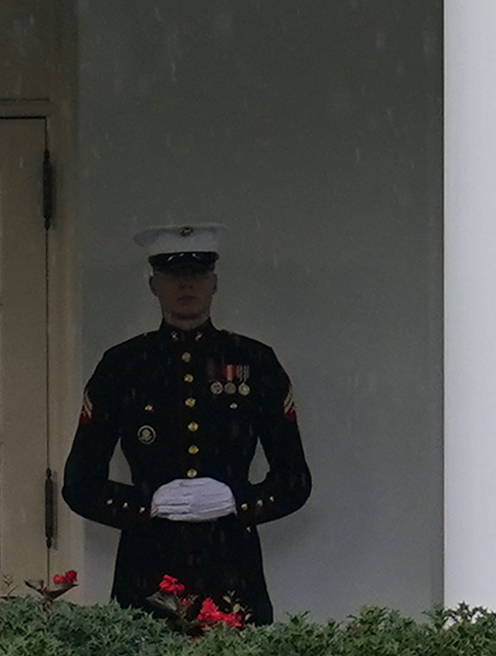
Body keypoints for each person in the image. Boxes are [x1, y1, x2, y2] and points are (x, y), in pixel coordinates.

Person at [59, 222, 312, 621]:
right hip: (147, 568)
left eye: (197, 274)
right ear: (153, 284)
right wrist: (147, 505)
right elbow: (79, 484)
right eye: (174, 275)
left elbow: (295, 480)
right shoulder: (122, 365)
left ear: (214, 283)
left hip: (231, 566)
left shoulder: (254, 362)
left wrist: (236, 500)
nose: (186, 285)